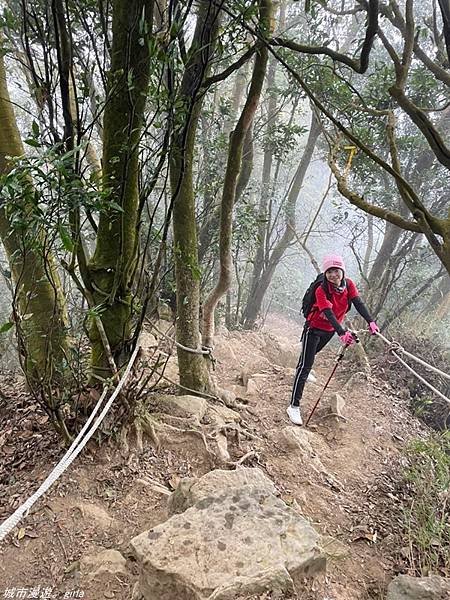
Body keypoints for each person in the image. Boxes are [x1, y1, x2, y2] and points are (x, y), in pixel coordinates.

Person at [287, 254, 379, 426]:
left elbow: (358, 303)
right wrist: (342, 332)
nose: (333, 275)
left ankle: (303, 370)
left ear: (342, 271)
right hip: (313, 329)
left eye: (336, 271)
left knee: (311, 356)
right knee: (305, 365)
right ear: (326, 273)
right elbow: (328, 313)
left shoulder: (349, 285)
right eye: (329, 272)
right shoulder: (321, 289)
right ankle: (293, 406)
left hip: (328, 331)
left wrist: (371, 321)